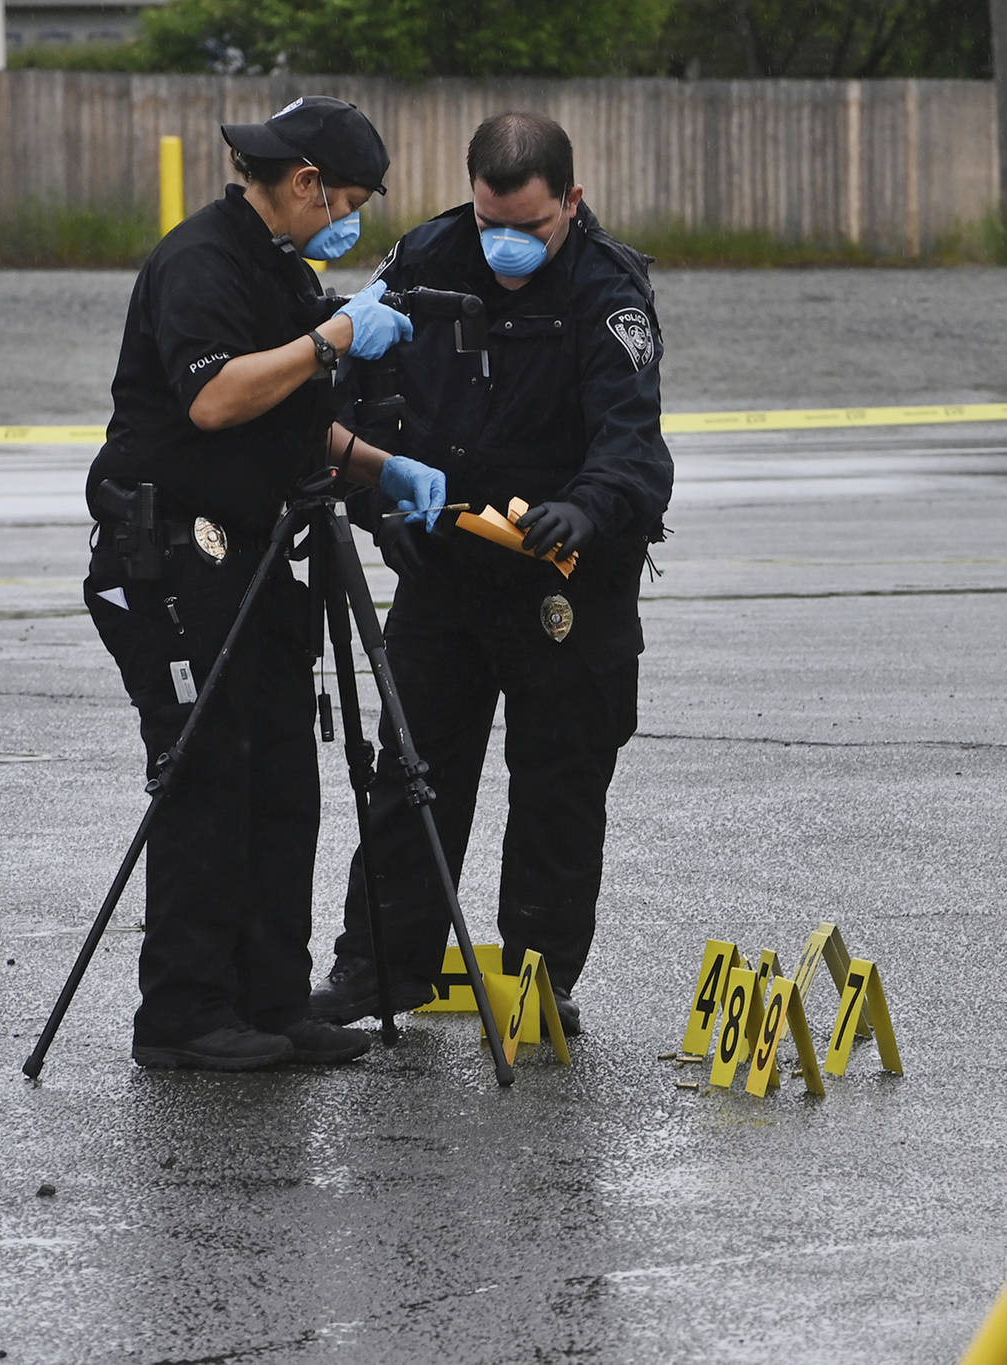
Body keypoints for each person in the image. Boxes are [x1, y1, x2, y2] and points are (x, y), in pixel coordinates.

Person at [84, 96, 449, 1070]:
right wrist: (330, 340)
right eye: (350, 202)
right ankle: (185, 1015)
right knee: (206, 777)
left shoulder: (280, 270)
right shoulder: (201, 262)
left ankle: (272, 999)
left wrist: (379, 468)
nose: (350, 222)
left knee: (283, 774)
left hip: (249, 553)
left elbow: (287, 407)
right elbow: (215, 397)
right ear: (305, 184)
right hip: (165, 552)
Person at [310, 112, 673, 1035]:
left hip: (564, 572)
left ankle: (540, 974)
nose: (507, 243)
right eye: (489, 221)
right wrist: (383, 506)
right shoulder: (427, 256)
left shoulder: (610, 289)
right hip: (444, 560)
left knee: (561, 776)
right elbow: (350, 395)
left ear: (573, 202)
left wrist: (586, 507)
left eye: (531, 226)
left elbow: (633, 446)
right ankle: (381, 967)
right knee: (411, 771)